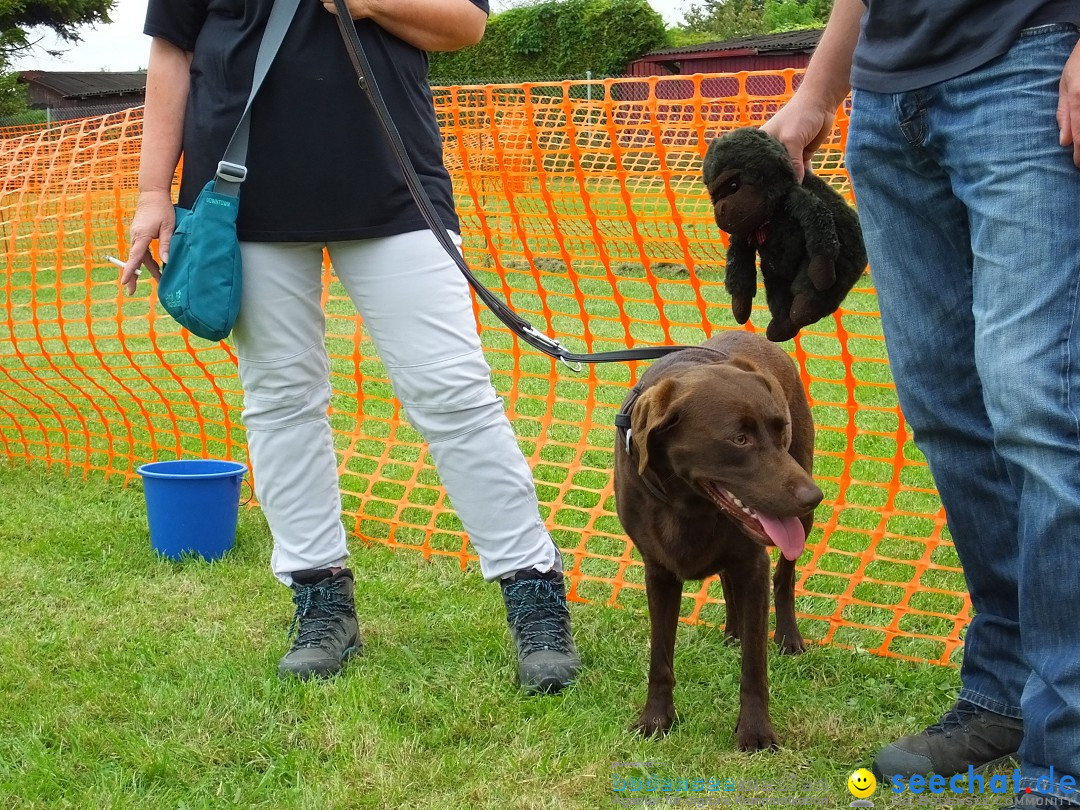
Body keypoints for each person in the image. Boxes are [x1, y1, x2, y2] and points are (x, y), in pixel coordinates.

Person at [120, 0, 580, 694]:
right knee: (279, 401)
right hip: (240, 195)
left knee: (453, 391)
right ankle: (320, 597)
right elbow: (172, 51)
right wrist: (154, 189)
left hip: (395, 192)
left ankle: (534, 592)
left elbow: (465, 25)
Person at [761, 0, 1080, 803]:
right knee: (945, 409)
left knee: (1037, 407)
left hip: (1030, 65)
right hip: (887, 99)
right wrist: (816, 95)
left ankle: (1069, 744)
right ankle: (1002, 694)